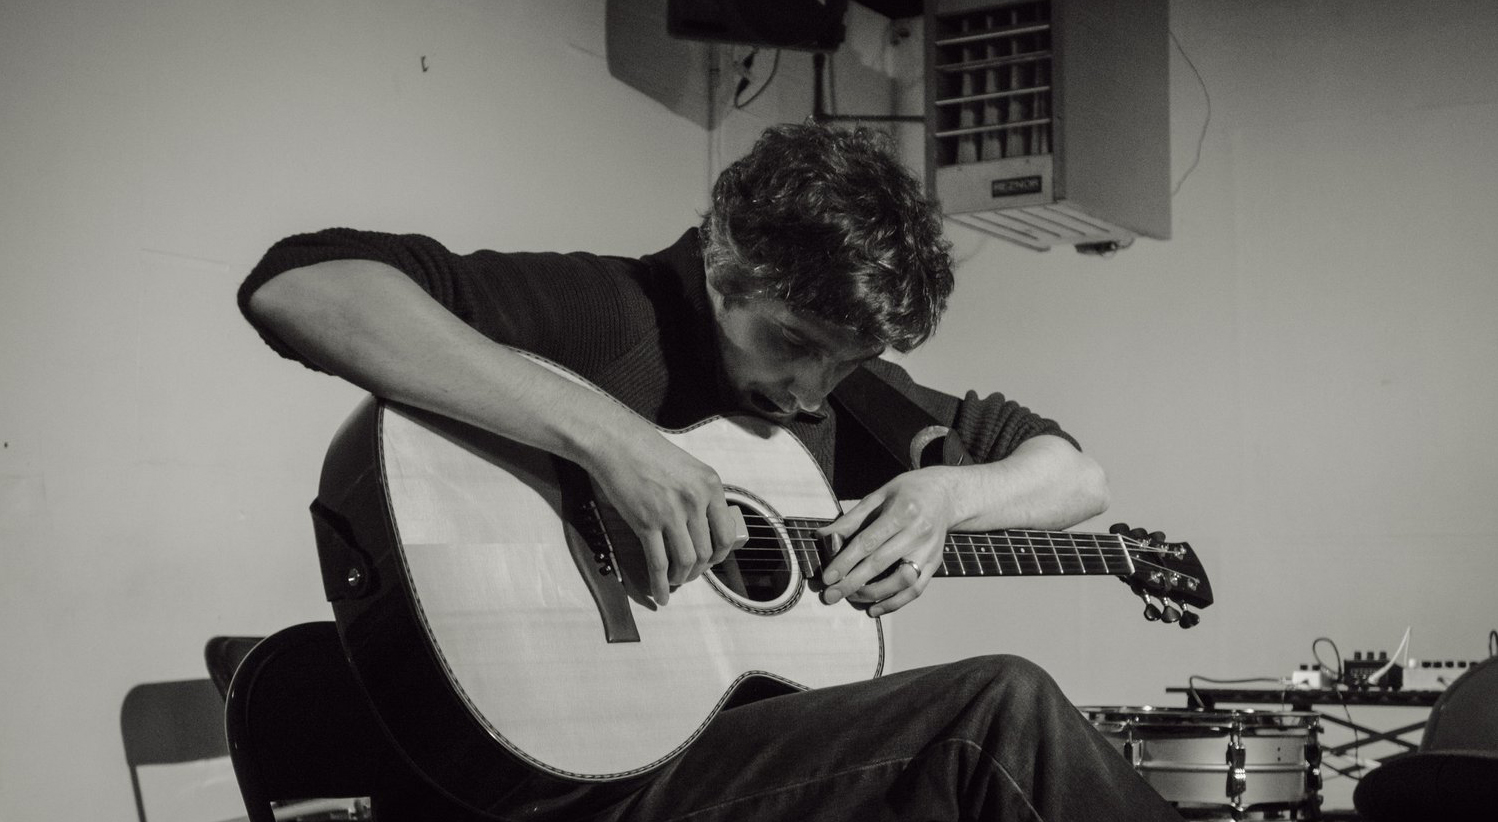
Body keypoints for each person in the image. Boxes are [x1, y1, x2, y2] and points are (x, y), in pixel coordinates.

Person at [239, 122, 1182, 821]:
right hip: (557, 782)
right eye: (792, 343)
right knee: (995, 713)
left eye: (844, 362)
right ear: (724, 267)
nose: (810, 390)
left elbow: (1075, 476)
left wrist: (944, 494)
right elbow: (301, 286)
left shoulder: (835, 393)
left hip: (692, 766)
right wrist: (614, 442)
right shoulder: (614, 314)